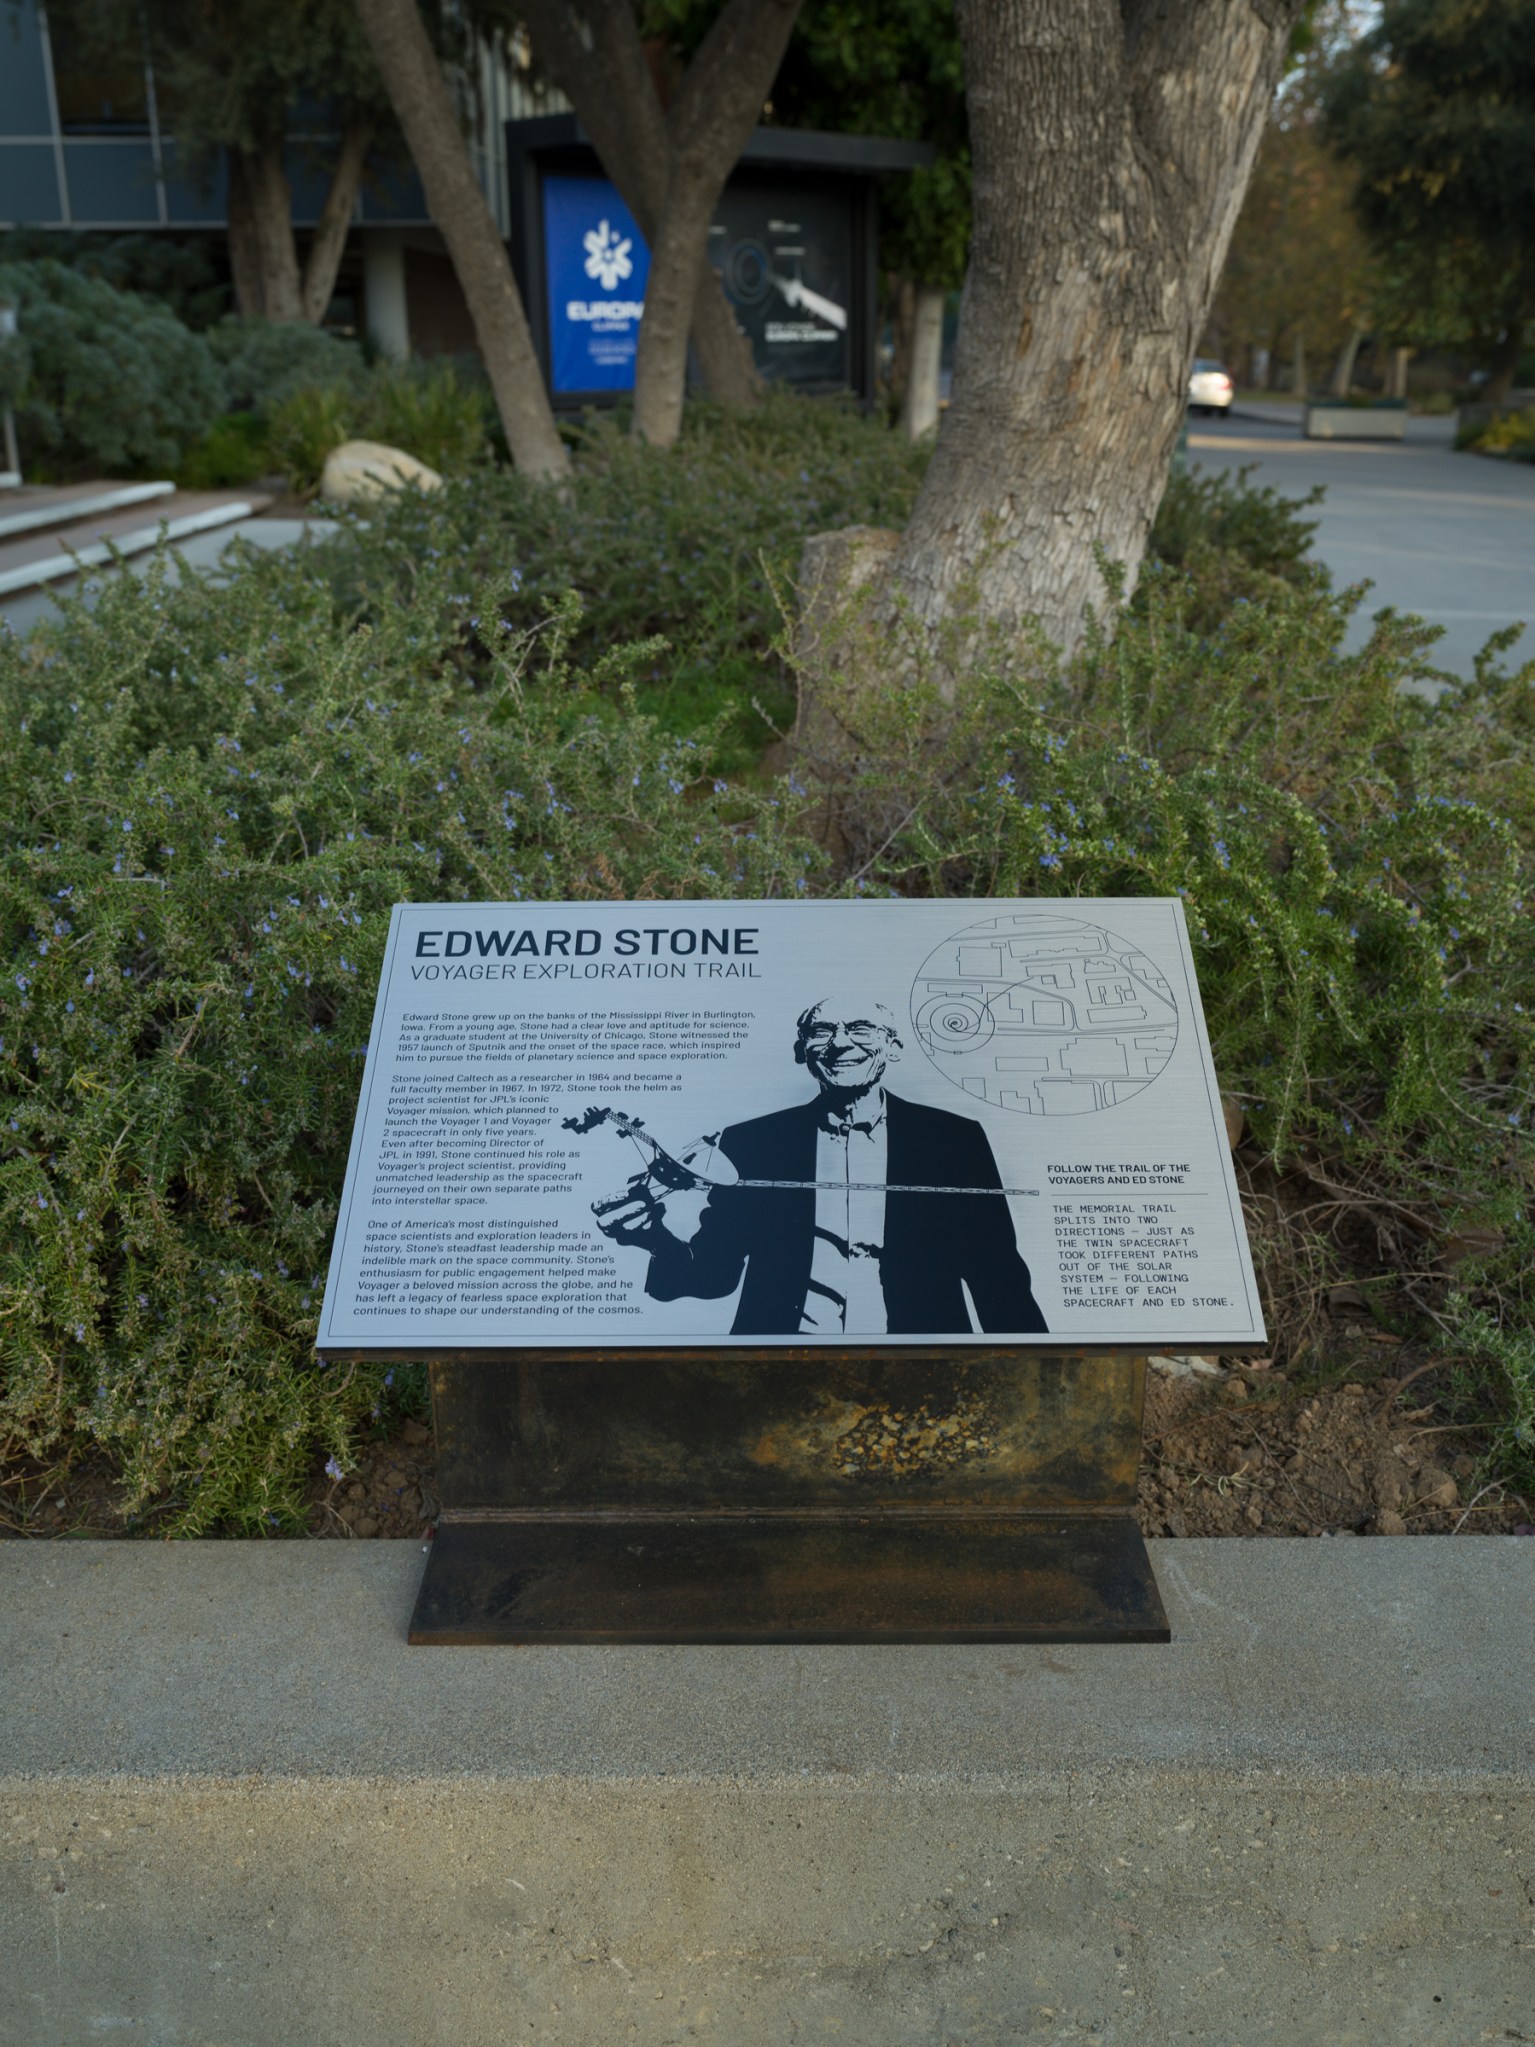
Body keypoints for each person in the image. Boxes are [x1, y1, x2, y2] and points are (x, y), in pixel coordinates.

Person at [594, 997, 1048, 1336]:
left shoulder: (953, 1138)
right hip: (783, 1366)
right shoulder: (751, 1142)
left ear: (893, 1048)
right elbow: (711, 1277)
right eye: (824, 1031)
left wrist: (1035, 1373)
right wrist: (651, 1238)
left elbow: (998, 1275)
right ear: (801, 1051)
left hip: (925, 1358)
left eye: (862, 1029)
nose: (841, 1043)